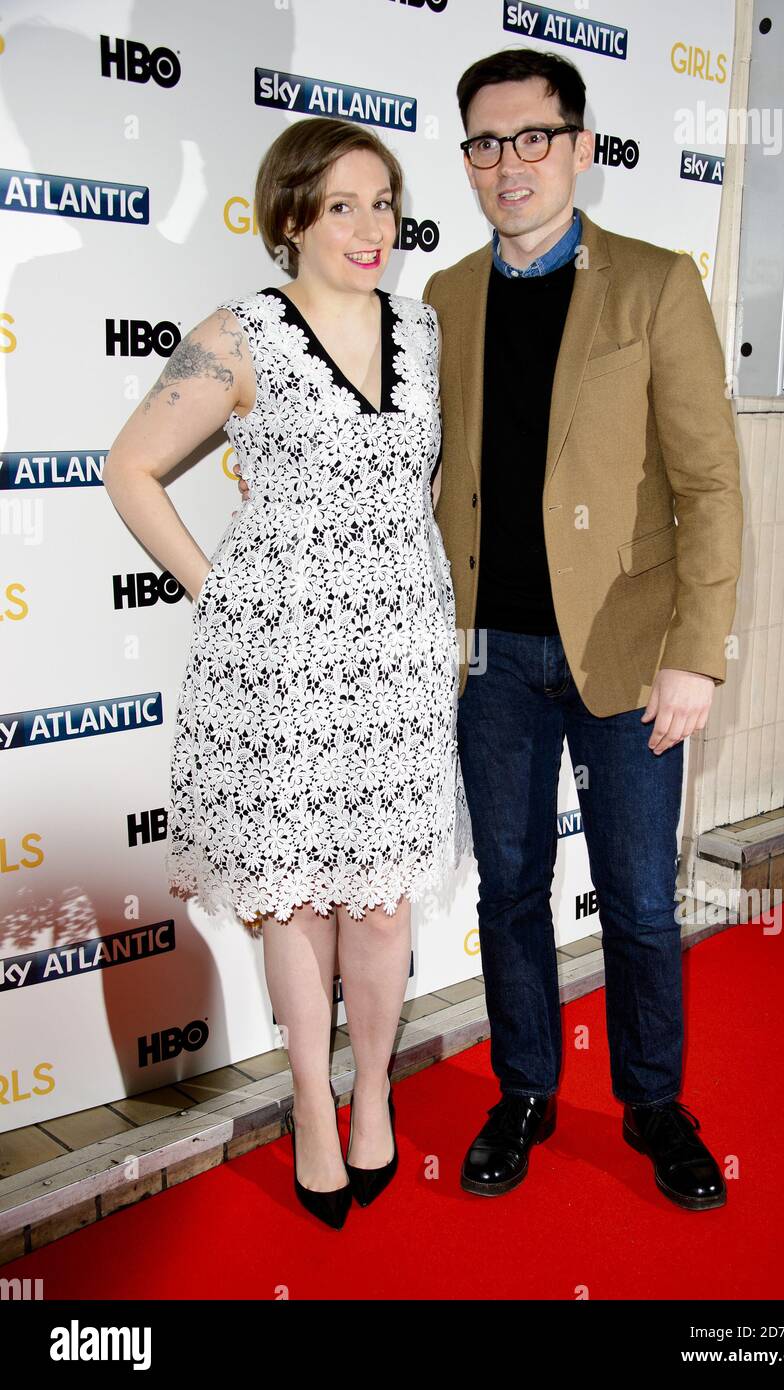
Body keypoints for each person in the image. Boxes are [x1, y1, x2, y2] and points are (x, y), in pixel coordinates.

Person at [238, 47, 744, 1214]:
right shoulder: (440, 303)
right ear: (464, 161)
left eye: (530, 139)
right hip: (481, 659)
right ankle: (523, 1091)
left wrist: (695, 650)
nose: (507, 164)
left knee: (637, 899)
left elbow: (709, 486)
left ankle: (653, 1102)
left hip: (624, 654)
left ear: (579, 148)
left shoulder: (656, 283)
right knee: (509, 888)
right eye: (483, 143)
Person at [104, 116, 471, 1230]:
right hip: (282, 674)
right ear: (290, 219)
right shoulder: (240, 333)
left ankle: (371, 1093)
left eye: (383, 202)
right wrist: (221, 594)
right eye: (342, 206)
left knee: (382, 907)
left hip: (399, 660)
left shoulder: (424, 328)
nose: (371, 228)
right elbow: (131, 467)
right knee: (299, 903)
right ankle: (312, 1103)